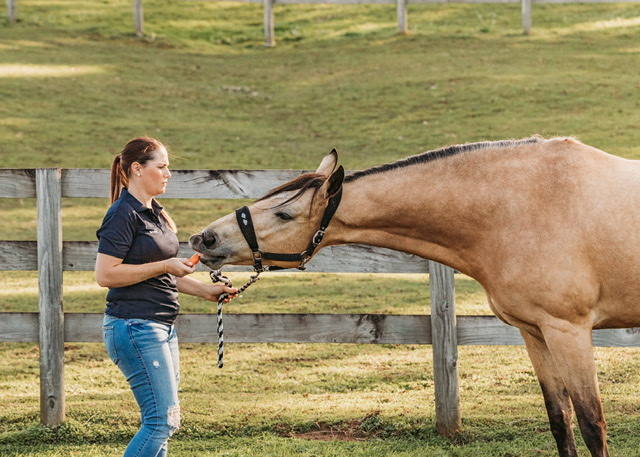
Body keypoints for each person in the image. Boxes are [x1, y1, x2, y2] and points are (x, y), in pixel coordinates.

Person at [95, 136, 237, 457]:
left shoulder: (155, 213)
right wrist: (164, 264)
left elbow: (162, 273)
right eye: (161, 167)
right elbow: (106, 275)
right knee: (161, 422)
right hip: (134, 327)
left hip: (161, 326)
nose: (168, 173)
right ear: (137, 169)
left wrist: (206, 291)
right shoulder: (123, 215)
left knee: (164, 423)